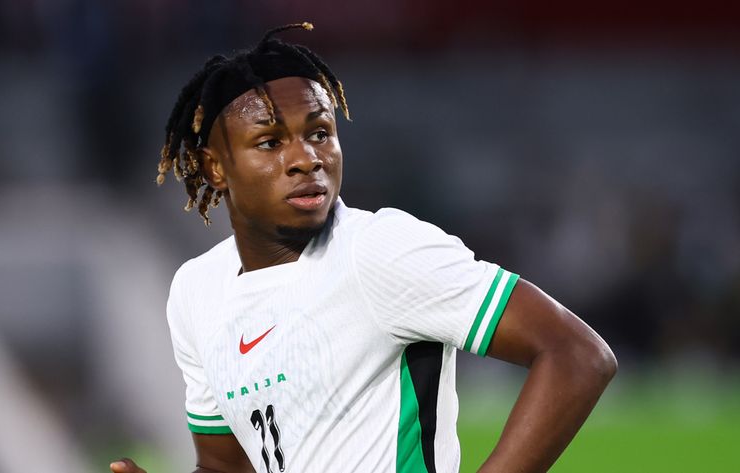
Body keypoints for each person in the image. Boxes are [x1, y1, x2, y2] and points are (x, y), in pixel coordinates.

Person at [110, 22, 617, 473]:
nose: (306, 158)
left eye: (320, 133)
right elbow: (228, 466)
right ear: (215, 167)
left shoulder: (378, 250)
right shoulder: (195, 290)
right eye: (270, 141)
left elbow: (576, 354)